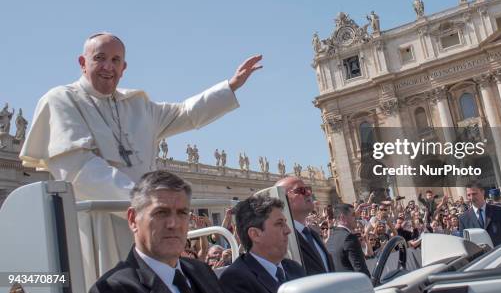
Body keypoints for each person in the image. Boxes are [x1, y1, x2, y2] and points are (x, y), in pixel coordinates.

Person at [20, 32, 262, 200]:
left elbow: (186, 113)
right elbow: (79, 169)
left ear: (124, 68)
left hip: (147, 226)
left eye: (116, 60)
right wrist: (144, 203)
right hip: (97, 225)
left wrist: (230, 86)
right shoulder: (61, 100)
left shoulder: (138, 105)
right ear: (83, 63)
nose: (108, 66)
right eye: (99, 58)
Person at [89, 170, 224, 293]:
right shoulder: (111, 289)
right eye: (161, 212)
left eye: (182, 213)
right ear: (133, 219)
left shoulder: (203, 271)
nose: (173, 224)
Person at [219, 195, 305, 293]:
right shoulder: (235, 280)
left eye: (285, 223)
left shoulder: (293, 268)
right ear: (255, 234)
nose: (288, 230)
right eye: (279, 223)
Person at [275, 176, 334, 275]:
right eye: (301, 190)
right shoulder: (281, 238)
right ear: (283, 199)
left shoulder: (313, 234)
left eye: (308, 189)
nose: (308, 193)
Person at [459, 181, 501, 247]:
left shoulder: (499, 211)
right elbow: (465, 245)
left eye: (474, 194)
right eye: (469, 195)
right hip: (482, 257)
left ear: (483, 192)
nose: (472, 198)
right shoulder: (463, 218)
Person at [326, 203, 371, 277]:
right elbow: (360, 270)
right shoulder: (349, 237)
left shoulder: (331, 238)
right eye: (353, 214)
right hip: (354, 286)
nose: (356, 217)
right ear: (342, 218)